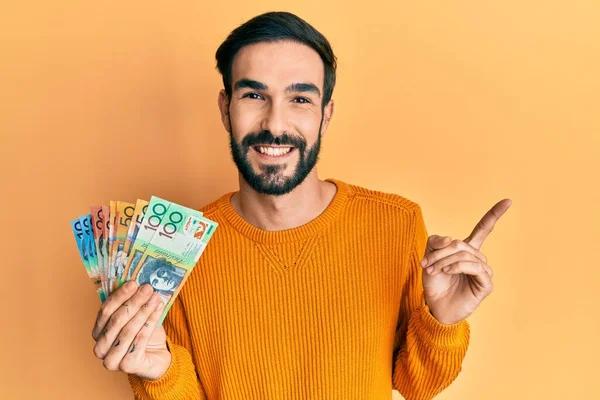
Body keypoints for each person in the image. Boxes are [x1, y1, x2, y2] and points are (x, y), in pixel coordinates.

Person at [91, 11, 511, 399]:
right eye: (254, 96)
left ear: (325, 115)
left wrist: (443, 321)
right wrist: (159, 372)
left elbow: (417, 387)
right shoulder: (176, 247)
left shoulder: (397, 222)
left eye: (300, 99)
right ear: (225, 108)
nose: (275, 124)